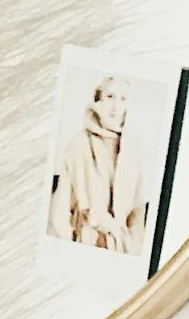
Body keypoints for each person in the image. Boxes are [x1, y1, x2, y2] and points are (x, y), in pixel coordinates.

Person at [48, 76, 148, 254]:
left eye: (122, 99)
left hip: (123, 249)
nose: (115, 106)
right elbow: (60, 211)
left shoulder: (133, 149)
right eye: (110, 97)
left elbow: (137, 211)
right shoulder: (78, 144)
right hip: (86, 243)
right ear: (98, 98)